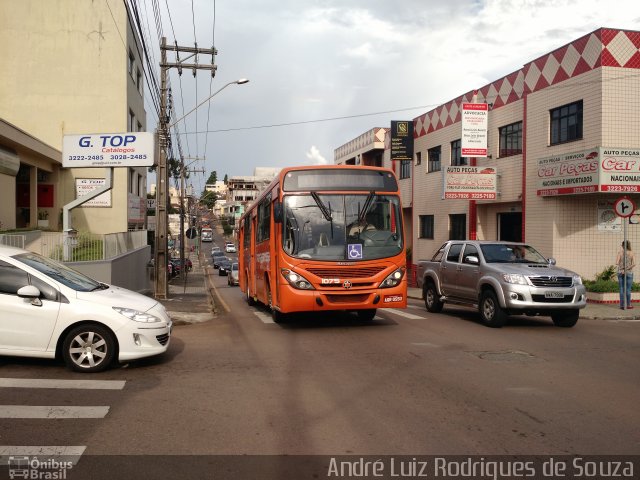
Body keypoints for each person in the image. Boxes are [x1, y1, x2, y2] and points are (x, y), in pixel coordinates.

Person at [616, 240, 636, 309]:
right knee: (628, 289)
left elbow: (617, 262)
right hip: (629, 272)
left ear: (622, 245)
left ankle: (621, 305)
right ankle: (628, 305)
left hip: (620, 272)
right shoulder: (632, 253)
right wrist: (626, 269)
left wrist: (622, 269)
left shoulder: (620, 253)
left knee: (621, 288)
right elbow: (634, 264)